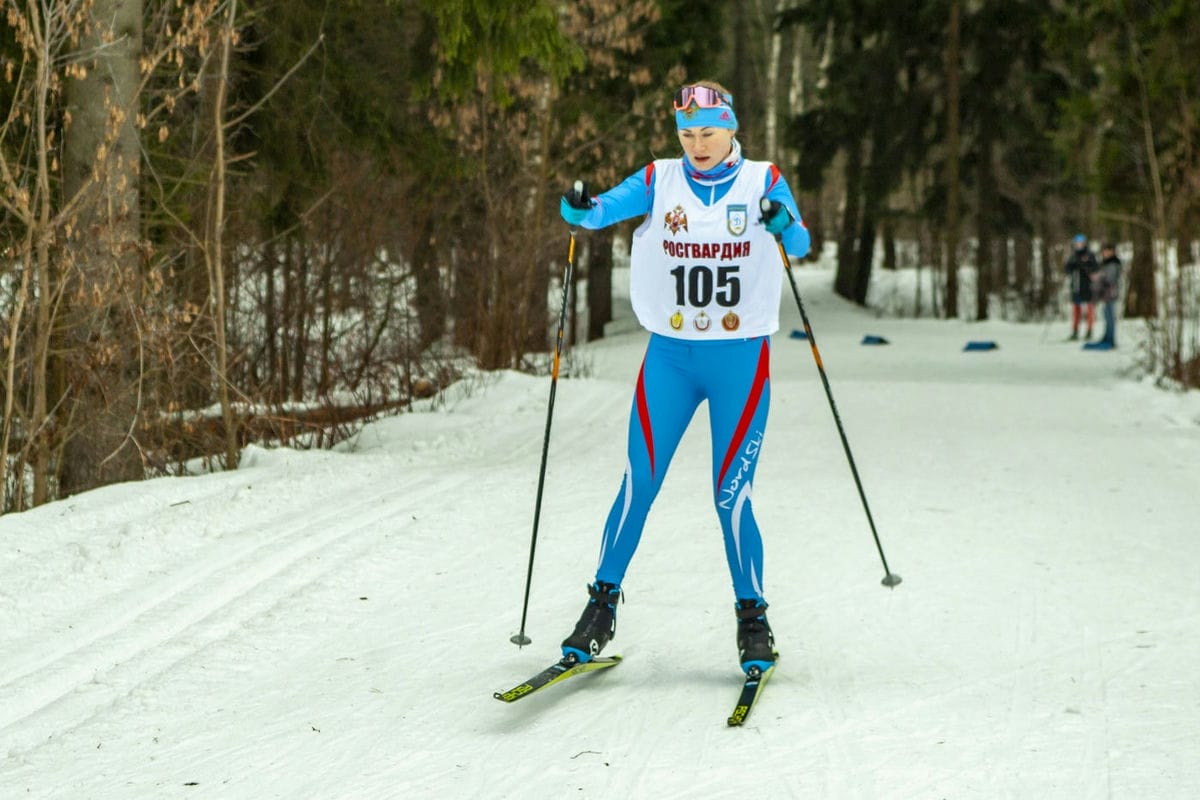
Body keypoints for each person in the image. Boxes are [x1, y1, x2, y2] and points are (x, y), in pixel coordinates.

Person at [556, 81, 811, 675]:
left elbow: (797, 240)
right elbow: (600, 210)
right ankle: (600, 606)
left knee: (730, 495)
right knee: (638, 482)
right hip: (669, 357)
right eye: (688, 133)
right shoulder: (658, 178)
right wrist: (580, 210)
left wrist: (780, 223)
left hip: (739, 360)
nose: (697, 144)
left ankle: (753, 618)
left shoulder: (764, 180)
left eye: (709, 132)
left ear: (731, 130)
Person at [1084, 243, 1122, 350]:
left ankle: (1110, 340)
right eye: (1104, 251)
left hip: (1110, 294)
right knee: (1106, 316)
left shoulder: (1114, 263)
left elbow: (1110, 279)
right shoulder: (1106, 263)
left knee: (1110, 318)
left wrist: (1100, 277)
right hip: (1105, 294)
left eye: (1108, 251)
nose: (1105, 253)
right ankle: (1106, 338)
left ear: (1112, 252)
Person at [1064, 233, 1098, 340]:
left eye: (1081, 243)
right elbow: (1067, 269)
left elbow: (1094, 269)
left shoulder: (1090, 255)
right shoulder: (1073, 255)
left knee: (1089, 309)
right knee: (1076, 310)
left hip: (1087, 287)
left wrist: (1085, 264)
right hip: (1076, 287)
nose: (1079, 245)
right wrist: (1072, 266)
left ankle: (1089, 331)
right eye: (1077, 243)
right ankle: (1075, 331)